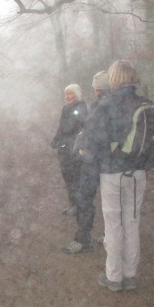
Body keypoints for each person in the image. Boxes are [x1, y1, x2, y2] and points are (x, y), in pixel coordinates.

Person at [81, 60, 154, 292]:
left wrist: (93, 164)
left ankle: (114, 277)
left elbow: (92, 140)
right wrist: (146, 164)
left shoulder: (106, 105)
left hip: (112, 173)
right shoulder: (148, 104)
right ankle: (130, 275)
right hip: (138, 174)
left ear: (114, 79)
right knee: (132, 222)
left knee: (113, 224)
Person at [62, 71, 111, 254]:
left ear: (96, 89)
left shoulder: (101, 106)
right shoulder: (117, 105)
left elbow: (92, 132)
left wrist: (83, 150)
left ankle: (83, 239)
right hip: (113, 163)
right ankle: (109, 236)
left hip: (94, 162)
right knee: (113, 203)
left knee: (84, 198)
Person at [51, 83, 87, 217]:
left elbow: (81, 128)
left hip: (75, 149)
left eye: (71, 94)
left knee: (75, 178)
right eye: (66, 94)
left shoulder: (81, 108)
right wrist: (55, 140)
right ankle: (72, 204)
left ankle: (79, 206)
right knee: (67, 177)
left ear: (77, 95)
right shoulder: (65, 109)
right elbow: (61, 128)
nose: (68, 96)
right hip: (64, 149)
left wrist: (80, 146)